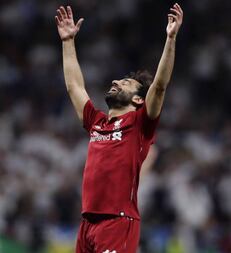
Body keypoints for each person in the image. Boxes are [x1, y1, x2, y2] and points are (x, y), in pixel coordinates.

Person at [54, 4, 183, 253]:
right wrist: (68, 41)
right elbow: (75, 87)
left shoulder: (140, 125)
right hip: (87, 223)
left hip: (117, 221)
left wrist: (171, 38)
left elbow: (158, 87)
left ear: (137, 100)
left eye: (125, 83)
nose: (115, 81)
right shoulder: (97, 122)